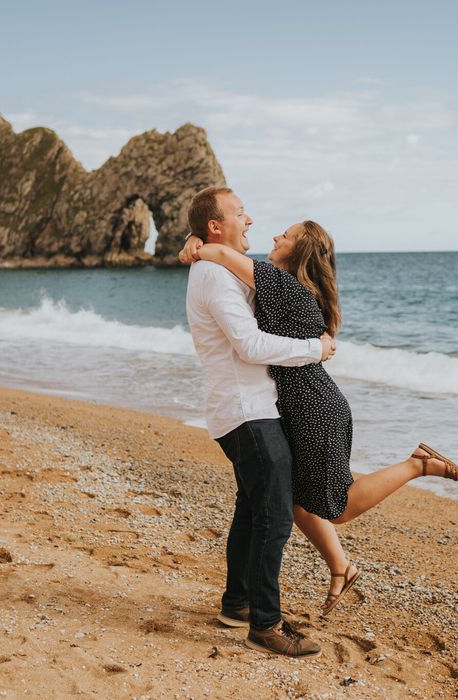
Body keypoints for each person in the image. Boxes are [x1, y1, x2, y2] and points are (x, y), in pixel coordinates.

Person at [180, 219, 458, 616]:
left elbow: (220, 253)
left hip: (314, 408)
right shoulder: (286, 286)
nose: (275, 237)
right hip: (302, 404)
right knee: (294, 500)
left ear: (299, 251)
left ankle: (417, 464)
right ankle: (339, 568)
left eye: (285, 235)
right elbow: (222, 255)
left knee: (339, 506)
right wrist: (193, 239)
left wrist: (197, 245)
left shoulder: (284, 286)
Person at [184, 186, 336, 658]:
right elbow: (249, 346)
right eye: (241, 213)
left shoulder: (216, 265)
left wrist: (194, 246)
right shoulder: (214, 274)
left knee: (252, 512)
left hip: (247, 408)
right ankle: (266, 625)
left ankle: (238, 606)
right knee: (273, 517)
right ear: (216, 225)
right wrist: (316, 349)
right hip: (246, 411)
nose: (249, 221)